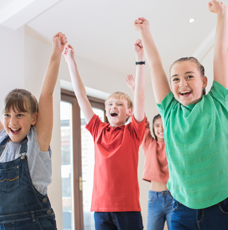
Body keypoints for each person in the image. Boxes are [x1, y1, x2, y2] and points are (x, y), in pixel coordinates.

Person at [134, 1, 228, 229]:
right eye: (175, 79)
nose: (182, 83)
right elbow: (155, 66)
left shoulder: (217, 101)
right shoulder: (170, 110)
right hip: (183, 208)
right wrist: (145, 33)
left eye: (189, 76)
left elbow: (220, 53)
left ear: (204, 81)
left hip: (223, 205)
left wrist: (222, 15)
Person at [63, 39, 145, 230]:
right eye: (109, 104)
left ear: (129, 112)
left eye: (119, 104)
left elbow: (140, 96)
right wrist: (70, 62)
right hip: (101, 207)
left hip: (128, 208)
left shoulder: (133, 131)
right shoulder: (98, 129)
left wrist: (139, 60)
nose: (113, 107)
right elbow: (81, 96)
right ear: (106, 111)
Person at [0, 32, 67, 229]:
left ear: (33, 118)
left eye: (20, 115)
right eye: (8, 115)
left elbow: (46, 93)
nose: (12, 122)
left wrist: (56, 52)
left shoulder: (37, 141)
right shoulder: (3, 140)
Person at [126, 75, 172, 230]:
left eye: (164, 125)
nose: (160, 128)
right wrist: (134, 89)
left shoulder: (175, 145)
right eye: (157, 125)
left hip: (175, 198)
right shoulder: (148, 143)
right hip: (154, 198)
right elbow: (141, 120)